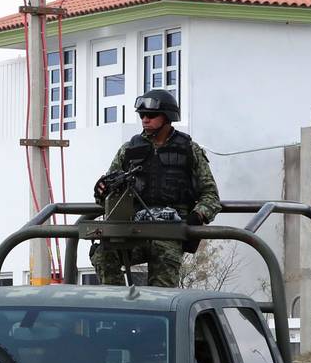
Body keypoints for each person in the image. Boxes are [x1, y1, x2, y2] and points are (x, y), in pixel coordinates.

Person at [90, 89, 221, 287]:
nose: (145, 119)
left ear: (167, 117)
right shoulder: (129, 150)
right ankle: (118, 309)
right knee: (103, 255)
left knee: (162, 293)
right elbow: (110, 190)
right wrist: (101, 191)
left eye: (151, 115)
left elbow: (210, 195)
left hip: (170, 234)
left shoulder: (188, 150)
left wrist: (197, 216)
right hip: (134, 230)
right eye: (142, 115)